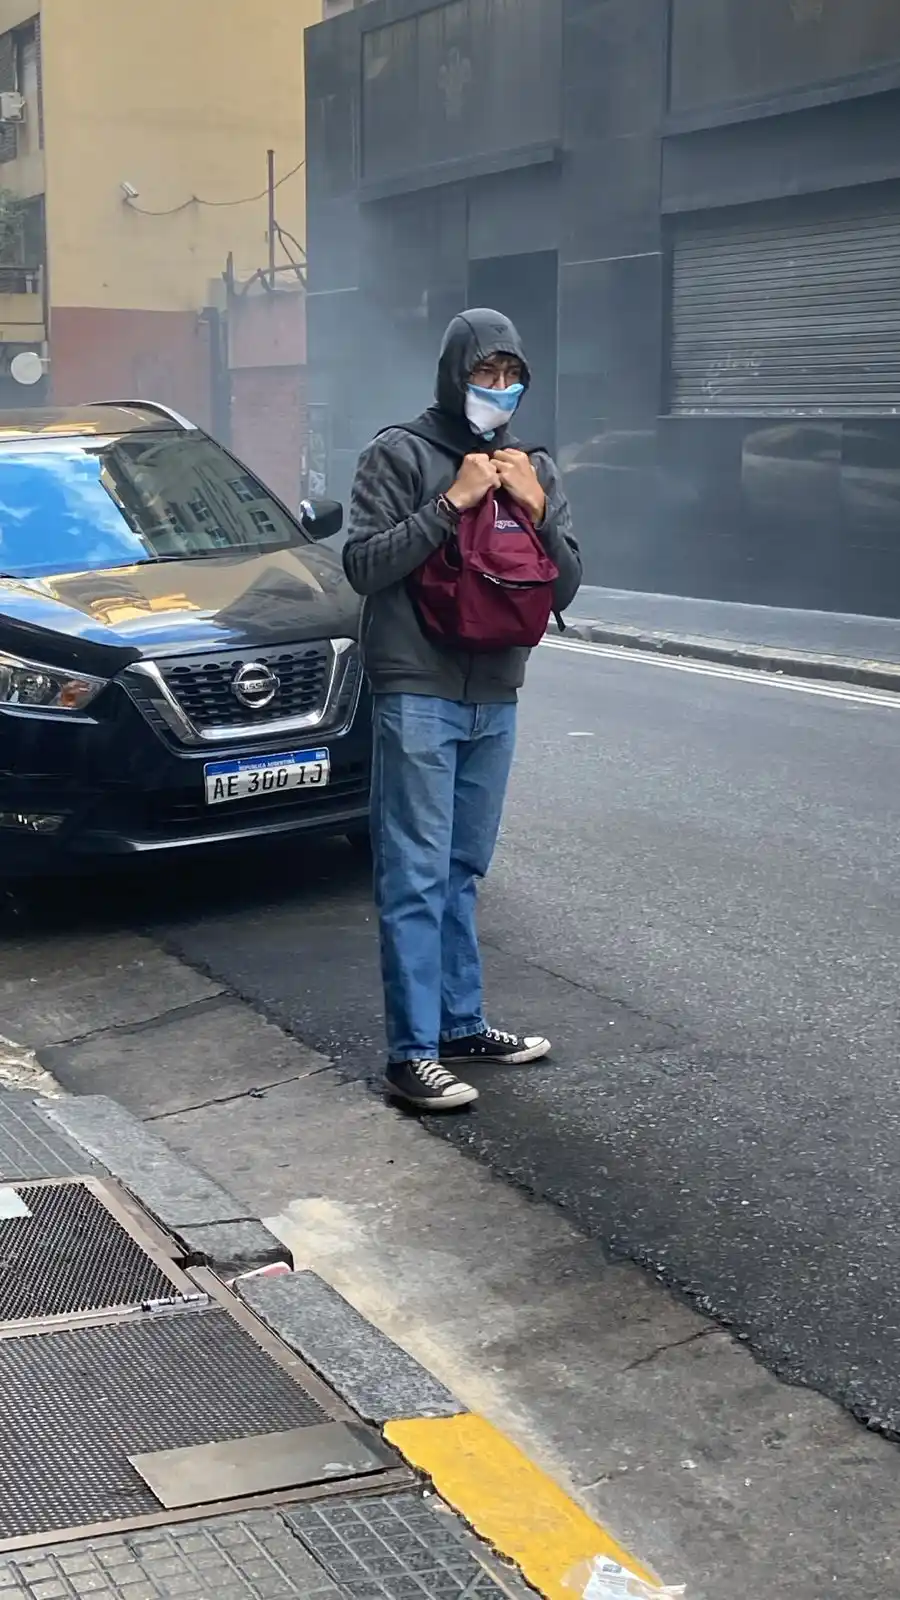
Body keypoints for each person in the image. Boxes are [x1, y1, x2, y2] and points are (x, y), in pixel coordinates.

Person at [343, 307, 582, 1111]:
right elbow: (362, 565)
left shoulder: (533, 463)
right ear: (455, 372)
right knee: (413, 874)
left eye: (514, 377)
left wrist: (536, 508)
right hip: (418, 685)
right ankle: (411, 1054)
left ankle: (461, 1023)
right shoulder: (399, 452)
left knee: (461, 870)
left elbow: (569, 586)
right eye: (487, 374)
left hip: (497, 692)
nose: (501, 389)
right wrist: (451, 502)